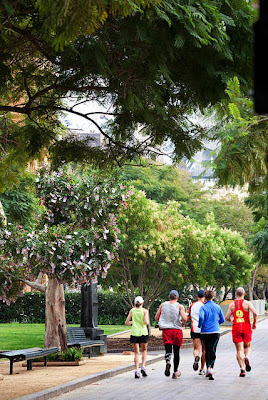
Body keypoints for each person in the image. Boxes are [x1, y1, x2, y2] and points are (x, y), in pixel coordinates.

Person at [225, 287, 258, 377]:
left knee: (239, 349)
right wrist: (254, 323)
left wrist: (233, 320)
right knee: (247, 346)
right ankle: (246, 357)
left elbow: (227, 317)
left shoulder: (232, 305)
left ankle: (242, 369)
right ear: (244, 294)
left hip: (236, 328)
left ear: (236, 294)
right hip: (246, 327)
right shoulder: (247, 303)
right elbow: (255, 313)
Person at [155, 290, 187, 379]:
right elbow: (184, 318)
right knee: (177, 351)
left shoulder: (162, 305)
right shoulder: (180, 306)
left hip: (166, 330)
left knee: (168, 349)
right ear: (177, 297)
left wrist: (163, 320)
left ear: (169, 297)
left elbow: (156, 317)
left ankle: (168, 361)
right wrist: (183, 323)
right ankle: (175, 371)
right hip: (177, 331)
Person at [198, 290, 225, 380]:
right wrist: (216, 323)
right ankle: (211, 368)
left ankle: (207, 367)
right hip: (215, 332)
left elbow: (201, 317)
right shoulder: (217, 307)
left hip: (205, 332)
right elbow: (222, 319)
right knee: (213, 349)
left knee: (206, 349)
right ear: (213, 297)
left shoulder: (203, 307)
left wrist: (200, 325)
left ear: (205, 297)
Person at [125, 296, 150, 379]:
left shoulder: (132, 311)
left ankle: (136, 370)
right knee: (144, 350)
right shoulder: (145, 311)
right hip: (143, 332)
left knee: (136, 353)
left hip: (134, 333)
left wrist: (133, 322)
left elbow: (126, 322)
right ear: (142, 303)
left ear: (135, 303)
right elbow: (146, 322)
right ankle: (143, 366)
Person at [187, 289, 206, 375]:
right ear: (204, 297)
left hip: (195, 329)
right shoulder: (205, 305)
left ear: (197, 296)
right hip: (204, 329)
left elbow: (187, 317)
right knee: (204, 350)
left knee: (196, 348)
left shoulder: (192, 305)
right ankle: (202, 369)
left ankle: (196, 356)